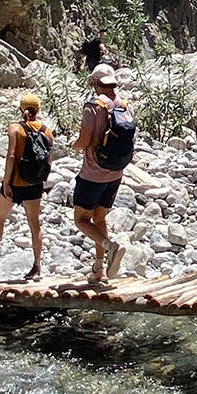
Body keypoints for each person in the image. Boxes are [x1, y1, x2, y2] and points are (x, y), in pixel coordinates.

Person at [72, 64, 130, 284]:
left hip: (92, 174)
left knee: (81, 220)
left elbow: (84, 140)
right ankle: (99, 269)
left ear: (96, 83)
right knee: (99, 218)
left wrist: (75, 146)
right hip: (115, 173)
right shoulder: (123, 104)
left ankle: (110, 247)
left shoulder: (93, 106)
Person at [0, 93, 53, 279]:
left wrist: (6, 182)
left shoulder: (15, 128)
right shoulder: (47, 130)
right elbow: (48, 158)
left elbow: (11, 156)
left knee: (0, 219)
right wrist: (41, 180)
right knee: (34, 225)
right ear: (38, 110)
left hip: (15, 182)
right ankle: (37, 265)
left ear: (21, 109)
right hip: (34, 183)